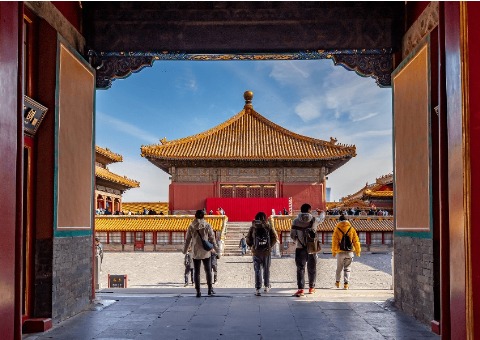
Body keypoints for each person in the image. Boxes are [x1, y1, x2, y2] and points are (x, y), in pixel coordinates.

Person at [290, 203, 325, 297]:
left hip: (300, 248)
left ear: (301, 210)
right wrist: (322, 212)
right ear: (310, 210)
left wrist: (297, 240)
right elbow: (321, 219)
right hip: (312, 248)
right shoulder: (314, 220)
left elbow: (292, 235)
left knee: (300, 269)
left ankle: (301, 290)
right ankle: (311, 288)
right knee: (312, 268)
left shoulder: (295, 221)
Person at [183, 210, 220, 297]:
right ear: (203, 216)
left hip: (195, 251)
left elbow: (187, 240)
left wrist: (185, 251)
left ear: (195, 216)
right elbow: (212, 239)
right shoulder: (207, 225)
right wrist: (217, 250)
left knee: (197, 272)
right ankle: (210, 289)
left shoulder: (191, 226)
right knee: (208, 271)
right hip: (206, 251)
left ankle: (198, 291)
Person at [246, 212, 278, 296]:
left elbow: (248, 239)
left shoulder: (253, 227)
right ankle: (267, 286)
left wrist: (252, 246)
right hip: (266, 252)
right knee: (266, 269)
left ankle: (258, 288)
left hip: (256, 252)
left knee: (257, 270)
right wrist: (269, 246)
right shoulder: (268, 226)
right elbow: (275, 237)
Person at [331, 213, 361, 290]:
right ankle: (346, 285)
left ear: (339, 221)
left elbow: (335, 241)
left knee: (339, 268)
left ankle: (337, 282)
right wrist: (358, 251)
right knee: (347, 268)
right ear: (347, 220)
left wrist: (334, 251)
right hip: (350, 252)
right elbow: (356, 241)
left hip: (340, 252)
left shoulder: (337, 229)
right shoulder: (352, 229)